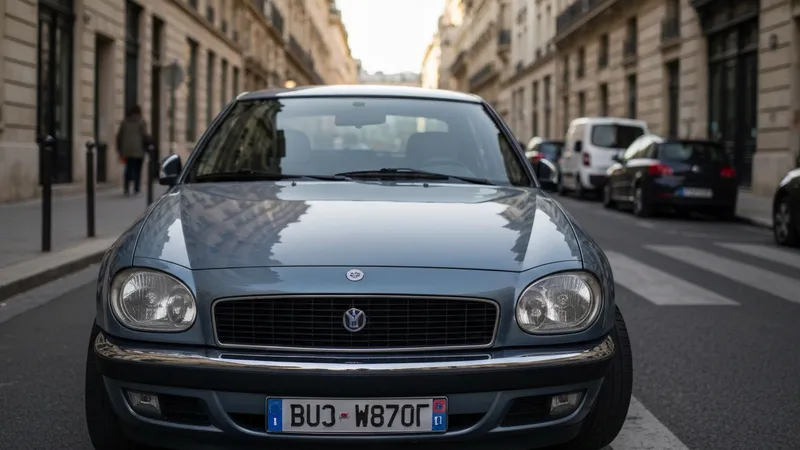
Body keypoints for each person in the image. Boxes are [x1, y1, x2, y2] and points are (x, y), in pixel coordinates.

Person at [116, 105, 149, 196]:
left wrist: (119, 149)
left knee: (128, 168)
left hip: (126, 150)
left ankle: (126, 188)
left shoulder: (124, 122)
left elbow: (119, 136)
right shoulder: (141, 122)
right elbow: (145, 135)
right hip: (139, 150)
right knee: (138, 169)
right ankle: (136, 188)